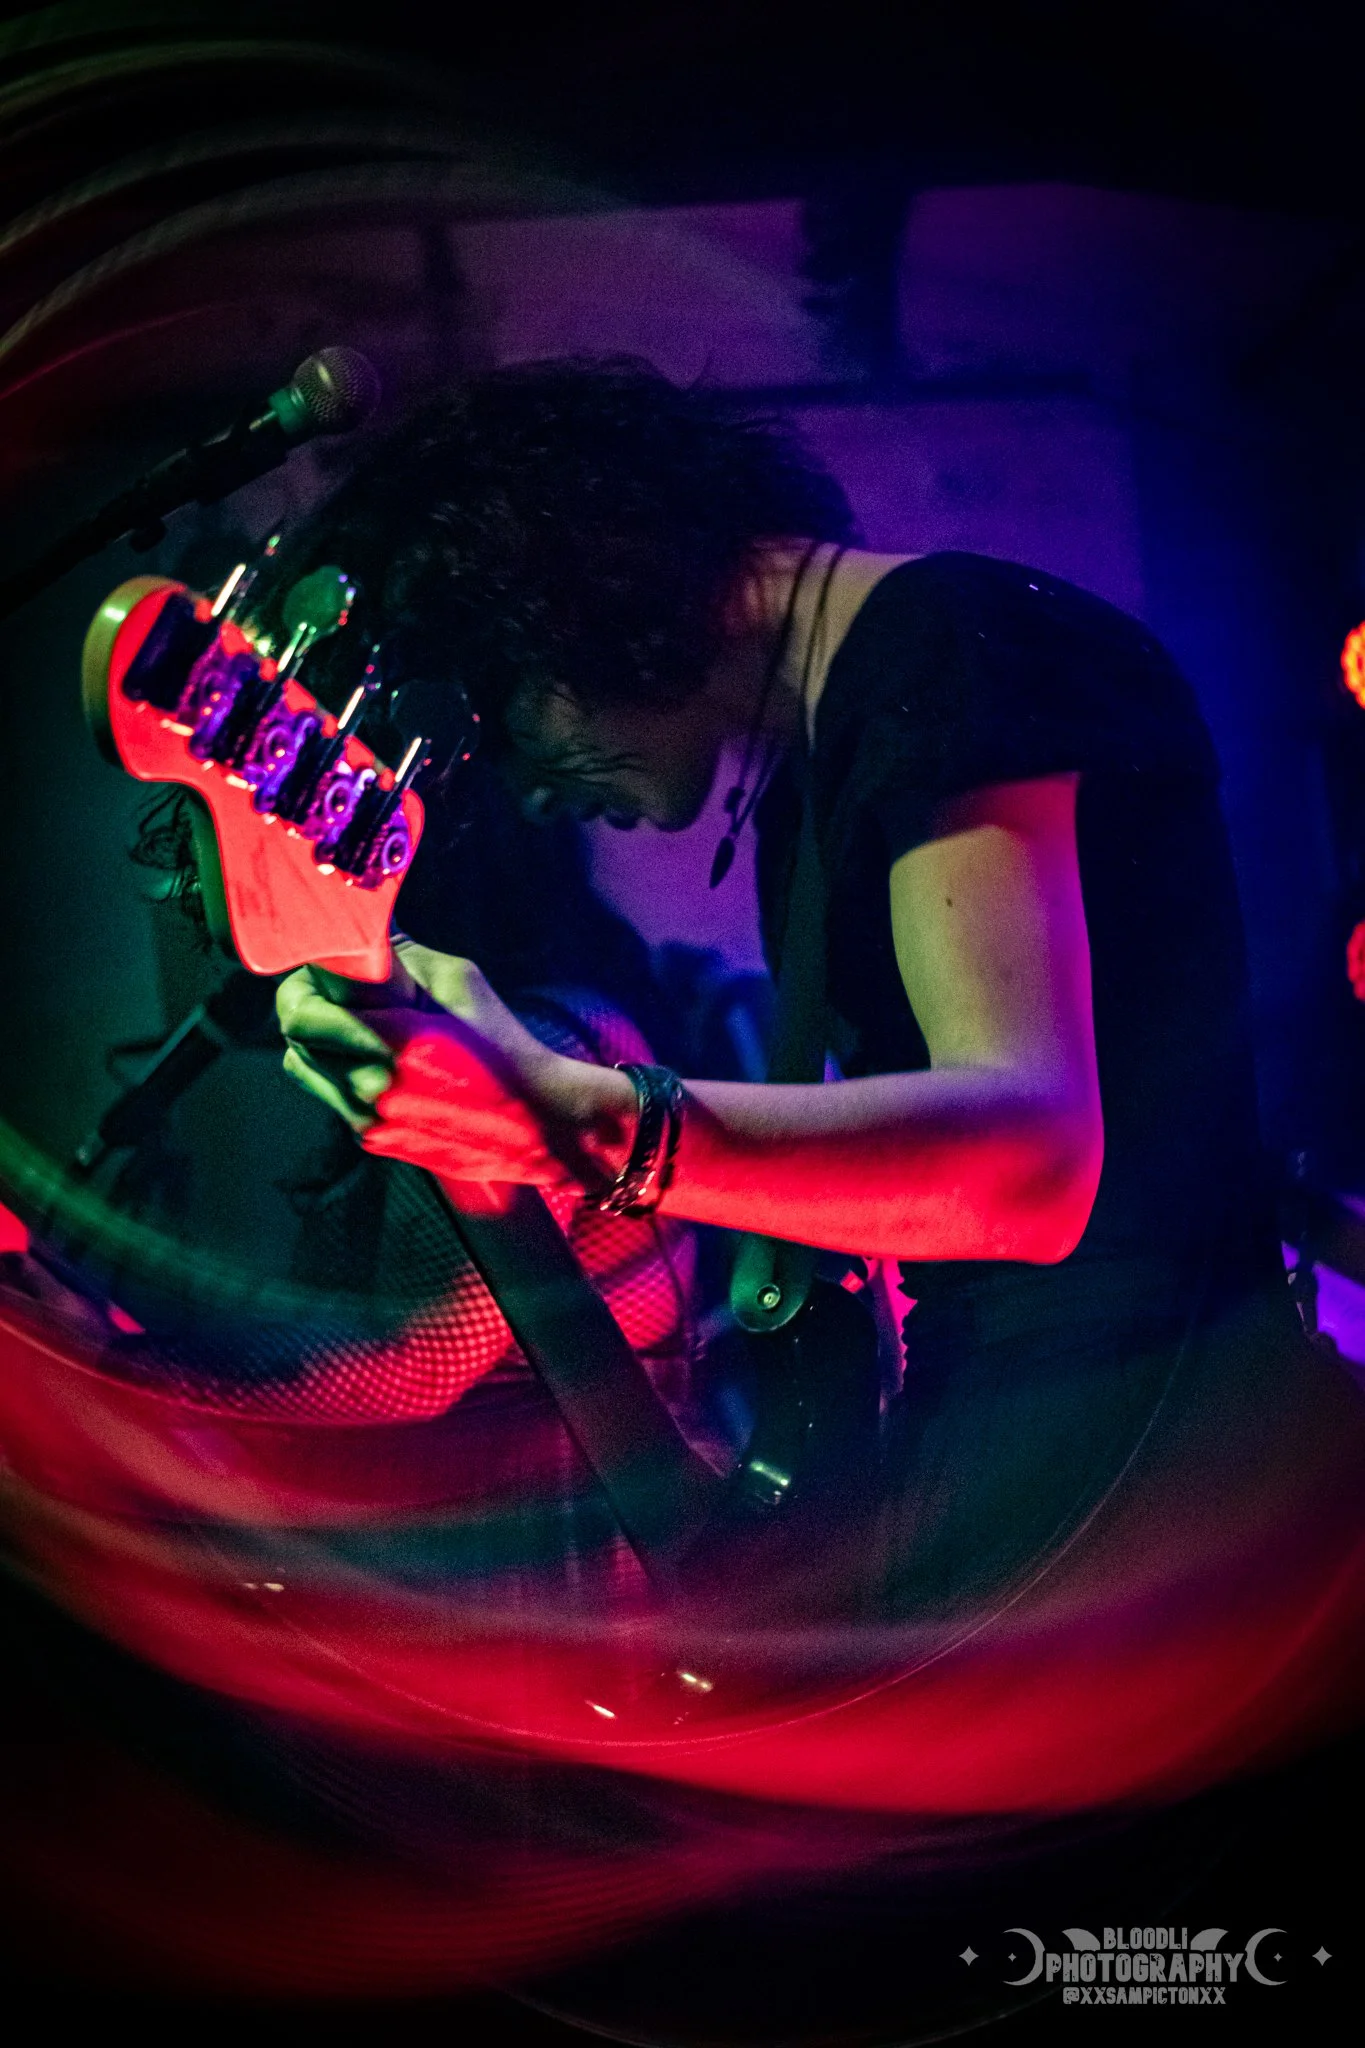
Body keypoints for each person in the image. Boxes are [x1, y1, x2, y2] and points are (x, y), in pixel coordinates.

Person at [277, 354, 1321, 1617]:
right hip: (1055, 1451)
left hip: (1151, 1471)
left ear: (565, 605)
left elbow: (1032, 1165)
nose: (536, 794)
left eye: (505, 729)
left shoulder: (941, 648)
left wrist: (584, 1119)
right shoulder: (819, 769)